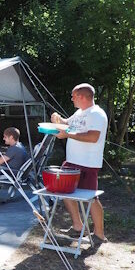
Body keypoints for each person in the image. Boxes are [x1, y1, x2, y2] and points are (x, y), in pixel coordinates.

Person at [51, 83, 108, 243]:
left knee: (91, 198)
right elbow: (67, 125)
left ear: (82, 97)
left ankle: (99, 234)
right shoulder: (79, 112)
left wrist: (68, 135)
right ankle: (77, 226)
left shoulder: (97, 114)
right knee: (63, 192)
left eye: (73, 96)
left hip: (88, 163)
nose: (72, 99)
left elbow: (92, 137)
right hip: (71, 161)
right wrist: (57, 119)